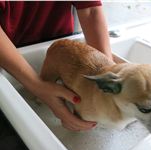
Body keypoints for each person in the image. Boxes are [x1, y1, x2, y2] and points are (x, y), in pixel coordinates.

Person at [0, 1, 114, 131]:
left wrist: (106, 72)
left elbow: (90, 11)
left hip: (62, 42)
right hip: (9, 52)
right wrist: (37, 86)